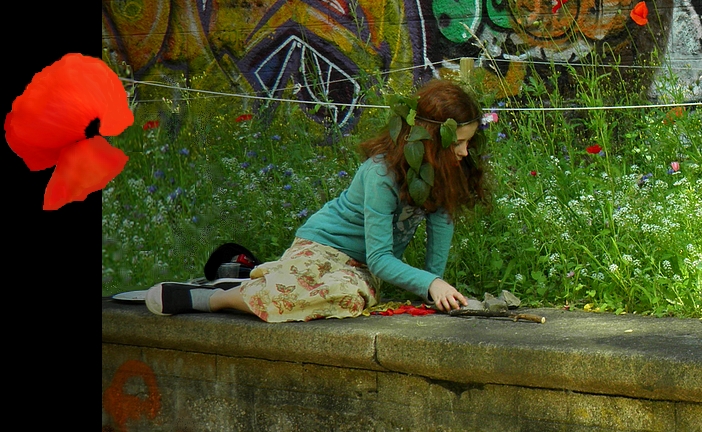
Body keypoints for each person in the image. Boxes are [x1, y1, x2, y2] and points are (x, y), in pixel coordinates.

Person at [145, 79, 488, 321]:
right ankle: (215, 299)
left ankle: (262, 277)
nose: (463, 151)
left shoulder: (444, 175)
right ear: (429, 139)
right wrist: (431, 284)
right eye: (457, 142)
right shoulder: (381, 174)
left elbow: (431, 264)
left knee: (349, 299)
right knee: (311, 294)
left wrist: (435, 292)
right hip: (323, 246)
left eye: (468, 142)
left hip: (360, 269)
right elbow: (381, 258)